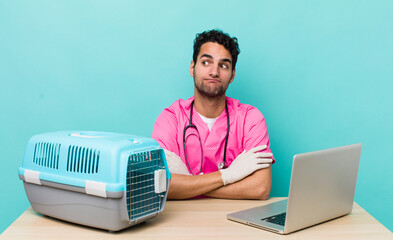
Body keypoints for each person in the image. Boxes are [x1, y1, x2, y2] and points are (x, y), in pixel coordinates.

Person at [152, 29, 274, 200]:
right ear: (192, 67)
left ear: (232, 75)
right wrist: (228, 176)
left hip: (235, 220)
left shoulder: (251, 119)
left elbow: (260, 188)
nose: (214, 72)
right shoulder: (170, 119)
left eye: (223, 65)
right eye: (206, 62)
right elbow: (160, 185)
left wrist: (189, 183)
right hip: (182, 220)